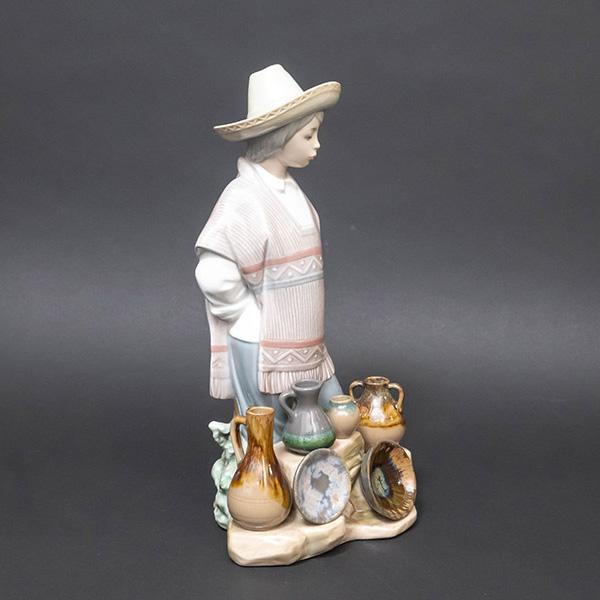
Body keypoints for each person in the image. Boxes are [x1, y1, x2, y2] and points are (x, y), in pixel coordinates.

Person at [194, 65, 343, 439]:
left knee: (332, 425)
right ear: (280, 137)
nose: (317, 145)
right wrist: (248, 319)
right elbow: (212, 273)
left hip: (308, 347)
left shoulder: (289, 190)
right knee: (269, 439)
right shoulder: (245, 198)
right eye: (308, 135)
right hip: (266, 354)